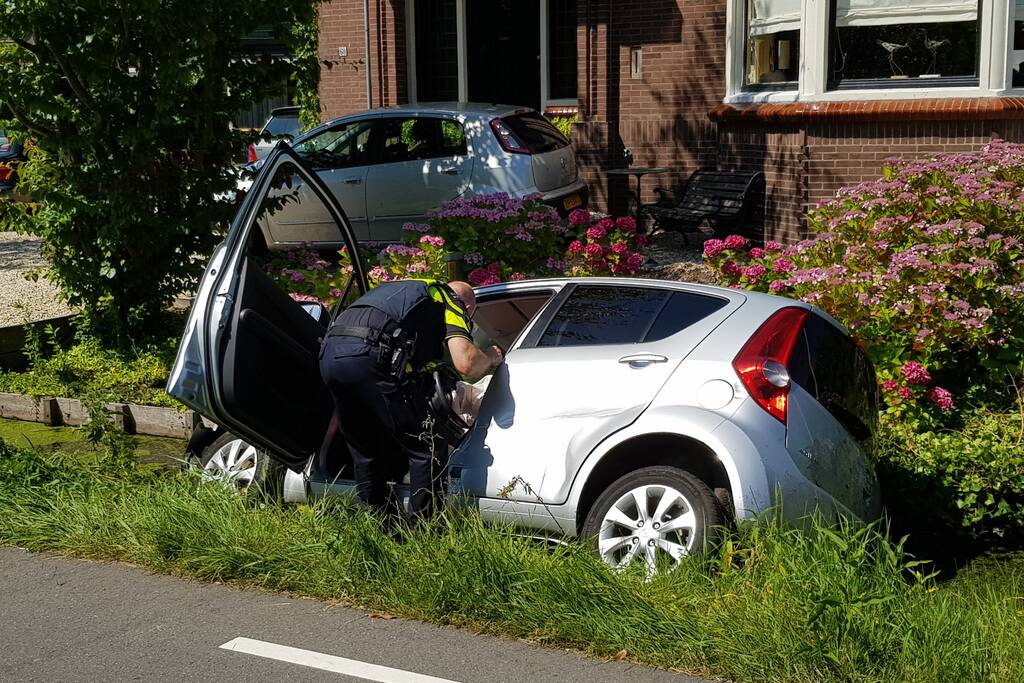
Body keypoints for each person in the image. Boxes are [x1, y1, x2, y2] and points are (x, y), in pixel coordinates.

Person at [319, 279, 503, 520]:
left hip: (329, 356)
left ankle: (378, 528)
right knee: (428, 445)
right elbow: (467, 362)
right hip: (371, 355)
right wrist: (491, 357)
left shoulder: (403, 292)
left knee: (366, 450)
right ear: (468, 309)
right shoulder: (448, 297)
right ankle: (427, 530)